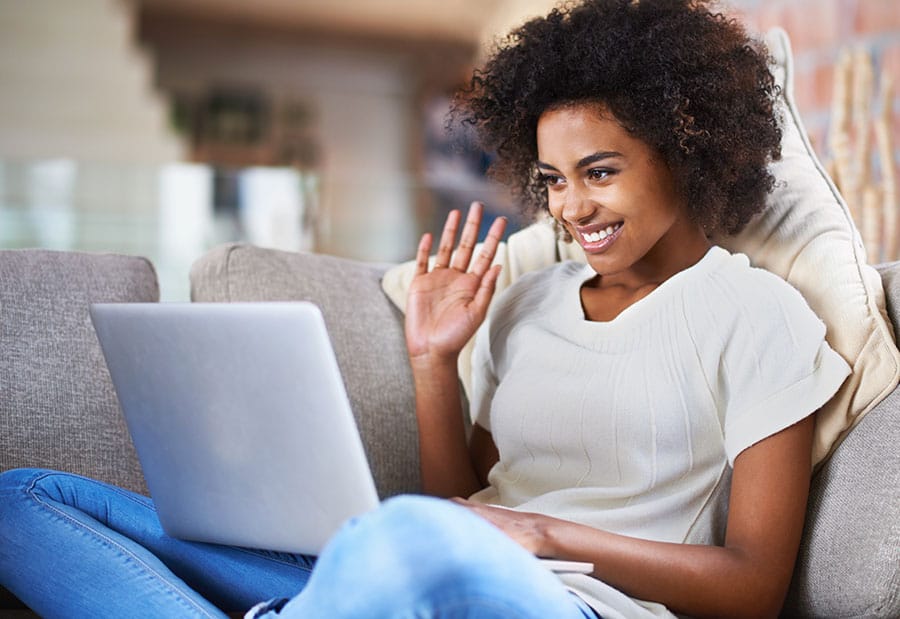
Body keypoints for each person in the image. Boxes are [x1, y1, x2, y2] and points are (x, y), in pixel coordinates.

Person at [0, 1, 850, 617]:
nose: (570, 208)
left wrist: (548, 537)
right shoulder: (527, 302)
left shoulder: (756, 314)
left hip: (576, 603)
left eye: (600, 171)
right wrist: (433, 361)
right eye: (552, 181)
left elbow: (750, 586)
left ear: (686, 146)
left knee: (405, 537)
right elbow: (462, 499)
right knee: (23, 497)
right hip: (423, 569)